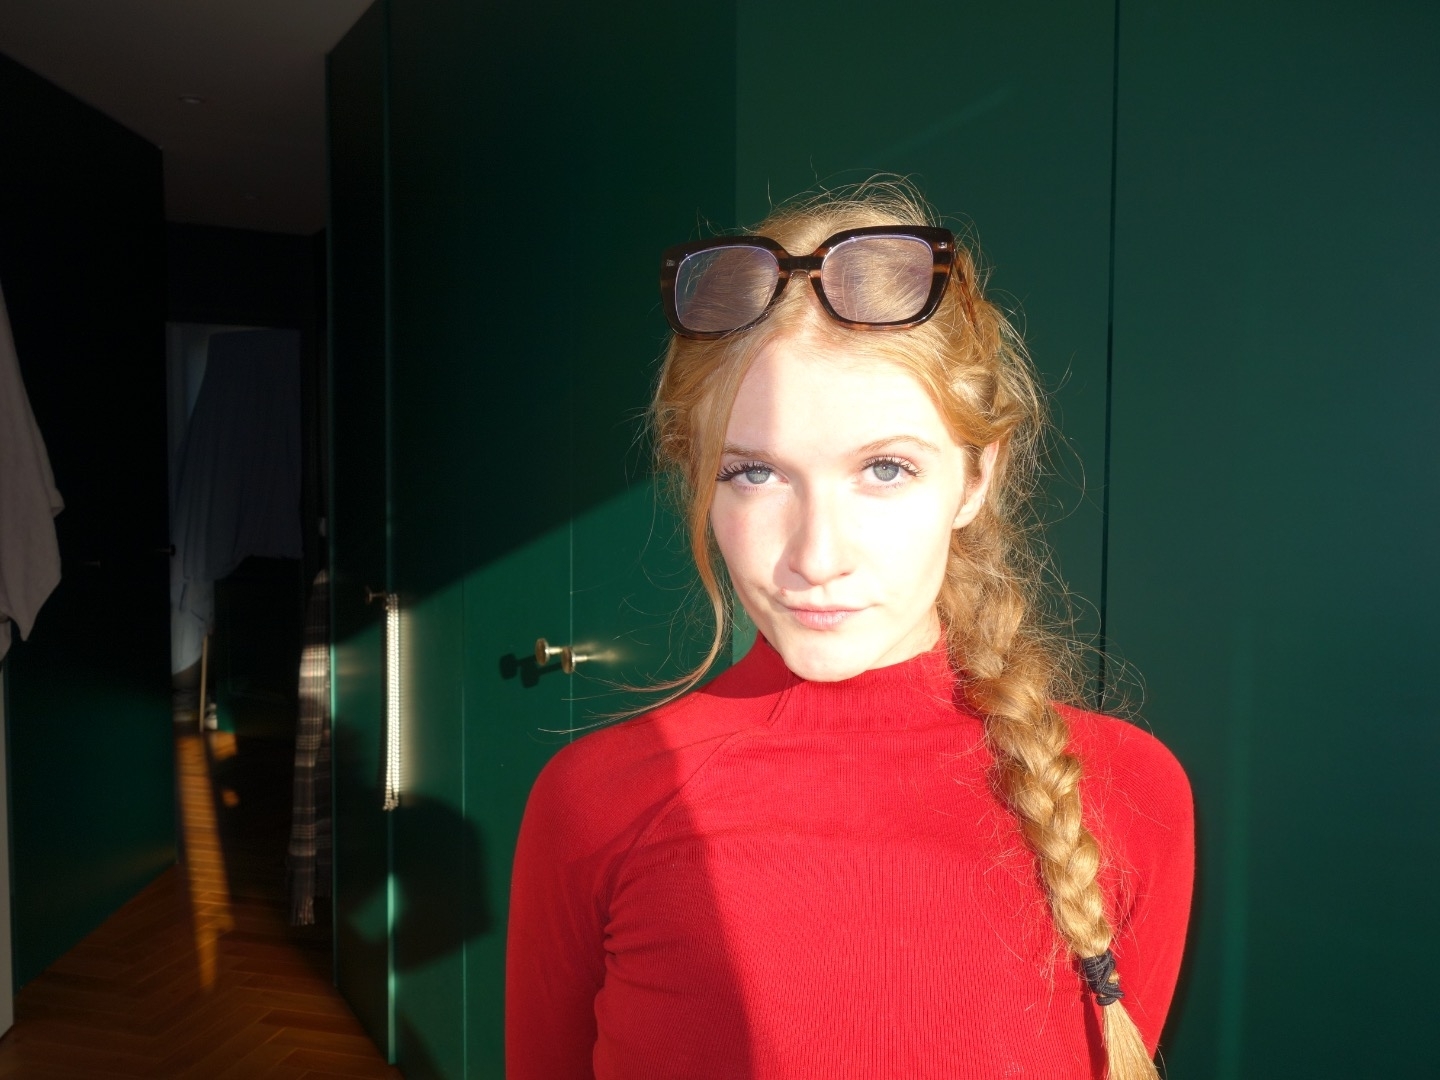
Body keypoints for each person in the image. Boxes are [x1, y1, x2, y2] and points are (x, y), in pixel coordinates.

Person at [506, 181, 1193, 1080]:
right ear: (697, 479)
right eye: (754, 474)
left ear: (977, 477)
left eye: (885, 469)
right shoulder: (598, 803)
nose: (816, 556)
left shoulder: (1129, 794)